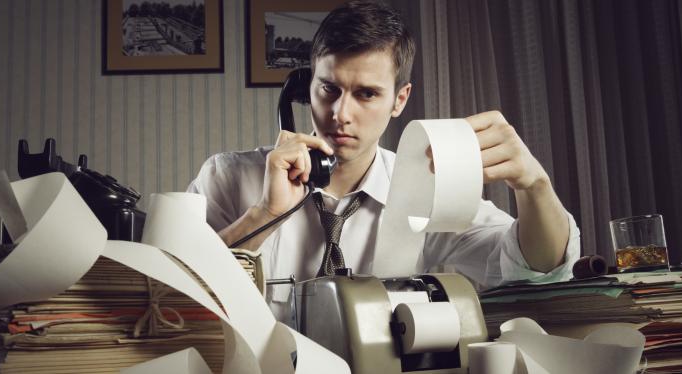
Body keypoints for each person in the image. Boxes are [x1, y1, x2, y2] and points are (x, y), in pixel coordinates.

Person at [188, 0, 580, 324]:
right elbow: (169, 295)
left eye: (366, 94)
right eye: (329, 89)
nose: (341, 113)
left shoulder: (427, 189)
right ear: (306, 88)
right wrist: (264, 214)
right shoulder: (226, 176)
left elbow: (535, 265)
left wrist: (535, 188)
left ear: (400, 100)